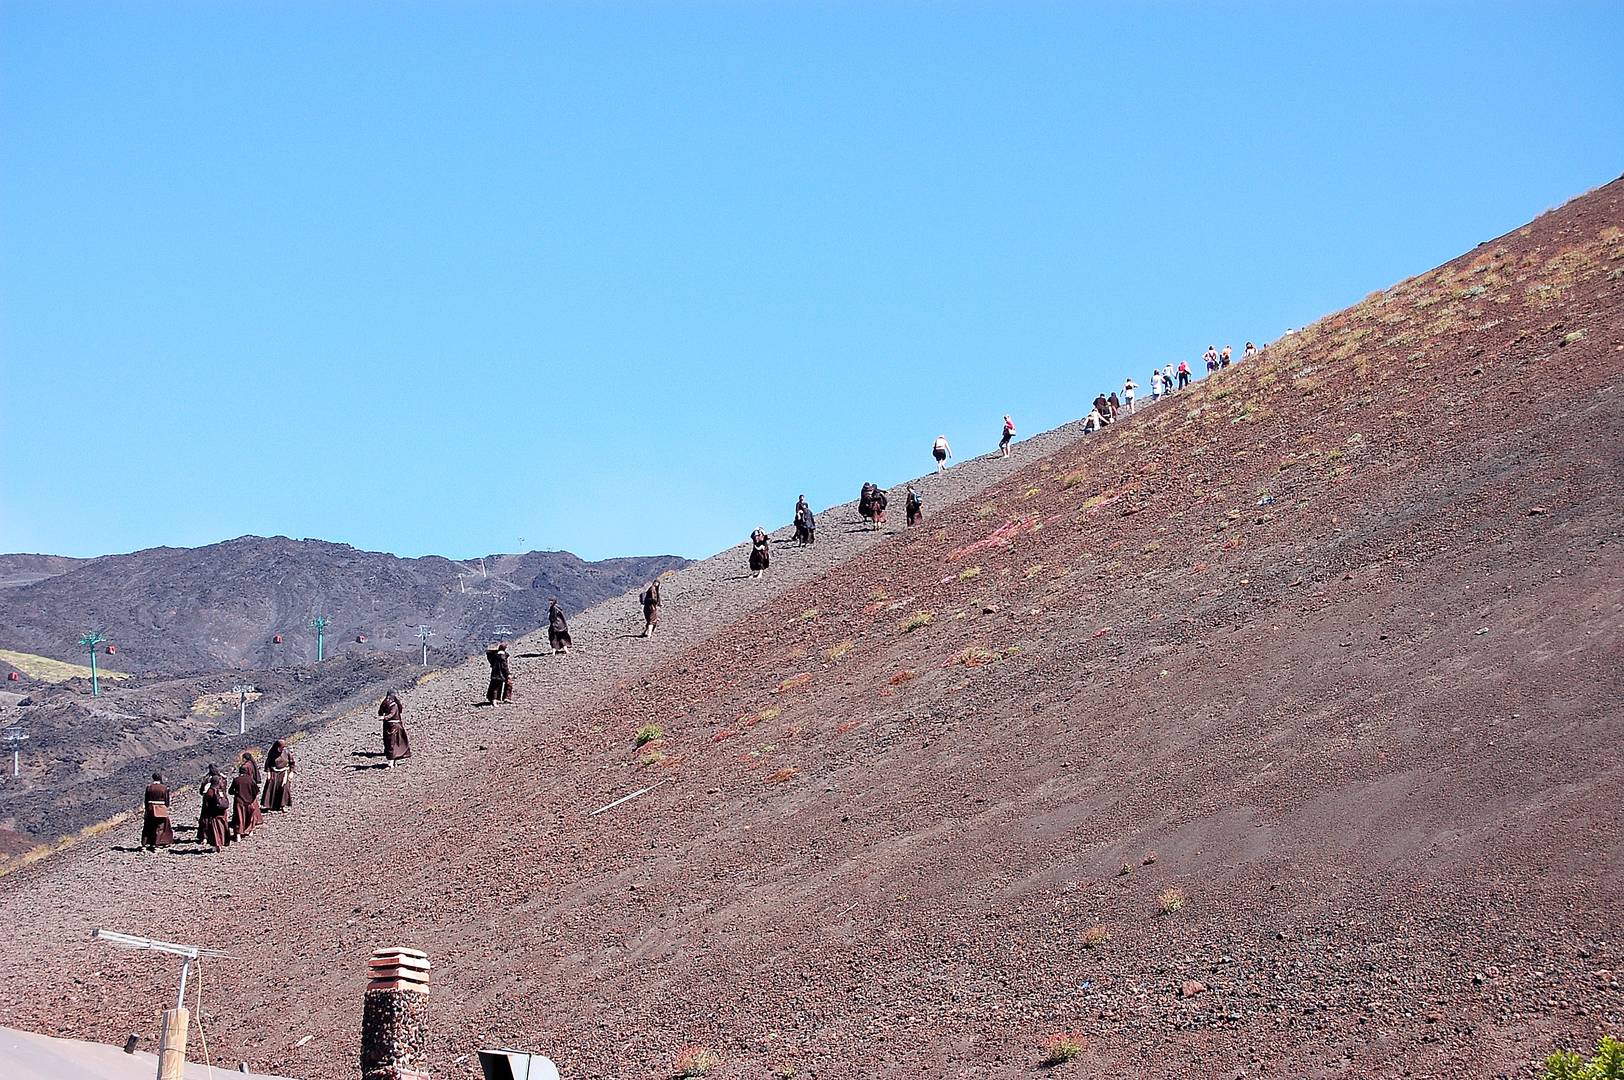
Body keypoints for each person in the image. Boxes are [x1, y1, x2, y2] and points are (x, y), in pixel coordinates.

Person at [197, 765, 230, 851]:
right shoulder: (223, 779)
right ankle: (223, 839)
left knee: (208, 822)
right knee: (222, 822)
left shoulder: (208, 781)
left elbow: (201, 792)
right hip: (222, 804)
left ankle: (206, 838)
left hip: (210, 807)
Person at [229, 759, 261, 840]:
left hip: (239, 801)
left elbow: (230, 791)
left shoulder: (236, 780)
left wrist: (236, 793)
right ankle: (250, 831)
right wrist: (252, 797)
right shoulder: (250, 780)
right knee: (250, 816)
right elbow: (256, 790)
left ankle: (238, 835)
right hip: (249, 801)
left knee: (239, 818)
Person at [141, 772, 173, 852]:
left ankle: (144, 845)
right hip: (160, 809)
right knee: (160, 827)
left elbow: (146, 800)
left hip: (150, 809)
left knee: (148, 826)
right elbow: (167, 801)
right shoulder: (164, 788)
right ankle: (156, 845)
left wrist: (147, 809)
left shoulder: (149, 787)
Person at [261, 739, 294, 812]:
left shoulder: (287, 752)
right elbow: (268, 764)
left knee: (284, 788)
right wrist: (268, 773)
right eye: (281, 747)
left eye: (283, 747)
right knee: (271, 787)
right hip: (274, 772)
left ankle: (283, 805)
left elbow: (292, 763)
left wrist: (291, 772)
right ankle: (269, 805)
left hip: (284, 772)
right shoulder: (272, 753)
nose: (282, 749)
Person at [380, 690, 411, 764]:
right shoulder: (386, 703)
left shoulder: (394, 705)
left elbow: (392, 714)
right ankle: (392, 759)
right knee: (389, 742)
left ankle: (392, 760)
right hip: (388, 726)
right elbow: (381, 710)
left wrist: (385, 717)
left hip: (395, 726)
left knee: (393, 743)